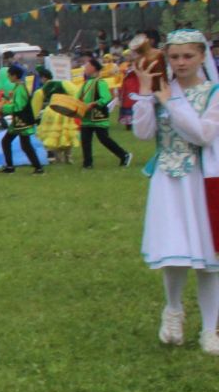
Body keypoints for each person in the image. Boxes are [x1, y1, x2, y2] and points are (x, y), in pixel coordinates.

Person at [131, 30, 219, 354]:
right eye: (175, 57)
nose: (181, 63)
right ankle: (173, 310)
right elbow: (142, 133)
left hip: (202, 178)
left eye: (188, 56)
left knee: (209, 258)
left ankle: (212, 328)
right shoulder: (160, 89)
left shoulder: (213, 93)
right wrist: (145, 94)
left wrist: (170, 101)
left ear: (201, 57)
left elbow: (203, 134)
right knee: (174, 250)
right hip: (168, 178)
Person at [76, 57, 131, 169]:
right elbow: (77, 98)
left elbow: (106, 97)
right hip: (86, 117)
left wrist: (94, 104)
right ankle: (87, 164)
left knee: (104, 139)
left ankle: (124, 155)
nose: (85, 68)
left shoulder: (100, 83)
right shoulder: (85, 83)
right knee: (85, 140)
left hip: (98, 117)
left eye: (87, 66)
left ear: (94, 68)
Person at [0, 65, 44, 175]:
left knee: (25, 145)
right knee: (7, 141)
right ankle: (10, 167)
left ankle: (38, 168)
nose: (8, 77)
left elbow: (18, 106)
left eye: (9, 75)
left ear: (15, 76)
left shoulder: (20, 88)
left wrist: (4, 108)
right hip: (18, 122)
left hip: (23, 121)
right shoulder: (18, 87)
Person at [34, 70, 78, 166]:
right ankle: (68, 158)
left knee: (53, 135)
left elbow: (36, 105)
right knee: (66, 134)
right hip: (65, 111)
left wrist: (34, 117)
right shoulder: (63, 83)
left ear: (44, 78)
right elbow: (75, 92)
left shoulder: (42, 90)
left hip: (51, 112)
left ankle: (58, 159)